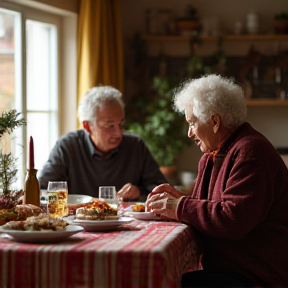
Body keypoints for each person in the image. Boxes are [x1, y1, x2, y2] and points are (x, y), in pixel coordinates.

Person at [147, 74, 288, 287]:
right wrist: (179, 200)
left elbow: (232, 220)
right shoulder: (214, 155)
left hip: (256, 277)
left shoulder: (251, 152)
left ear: (214, 122)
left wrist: (180, 206)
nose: (189, 133)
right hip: (233, 270)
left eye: (192, 123)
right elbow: (207, 210)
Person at [39, 86, 167, 201]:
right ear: (87, 126)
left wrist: (140, 191)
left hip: (125, 223)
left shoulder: (135, 146)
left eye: (120, 124)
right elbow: (42, 191)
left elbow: (163, 190)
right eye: (110, 126)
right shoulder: (67, 147)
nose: (119, 133)